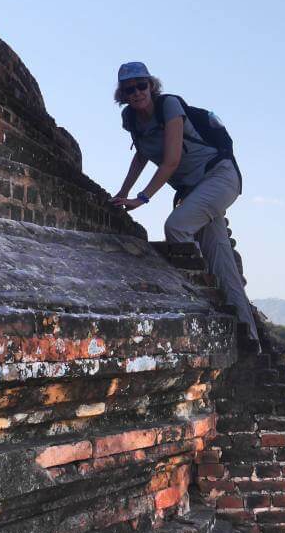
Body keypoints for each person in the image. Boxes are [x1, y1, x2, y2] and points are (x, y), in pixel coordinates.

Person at [108, 62, 261, 349]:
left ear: (151, 86)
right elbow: (141, 156)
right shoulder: (131, 119)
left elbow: (171, 161)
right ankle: (250, 341)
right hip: (193, 189)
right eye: (130, 89)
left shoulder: (170, 106)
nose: (137, 92)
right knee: (222, 263)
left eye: (142, 85)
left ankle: (203, 301)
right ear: (123, 94)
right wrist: (122, 193)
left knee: (177, 226)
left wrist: (141, 199)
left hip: (220, 177)